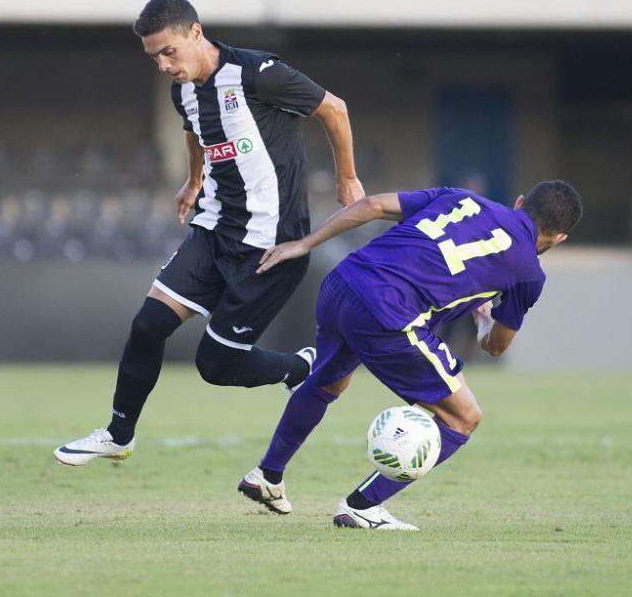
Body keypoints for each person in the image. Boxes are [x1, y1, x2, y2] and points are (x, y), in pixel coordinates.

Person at [54, 0, 364, 466]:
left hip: (272, 246)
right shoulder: (183, 91)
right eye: (154, 57)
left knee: (216, 367)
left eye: (169, 52)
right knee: (147, 326)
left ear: (195, 33)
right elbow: (193, 130)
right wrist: (194, 179)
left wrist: (346, 178)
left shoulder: (258, 73)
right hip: (214, 230)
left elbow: (334, 109)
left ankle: (303, 365)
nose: (162, 65)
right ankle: (119, 435)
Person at [238, 181, 582, 529]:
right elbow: (495, 345)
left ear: (520, 201)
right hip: (389, 313)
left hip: (343, 282)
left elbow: (371, 205)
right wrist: (482, 318)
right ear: (559, 238)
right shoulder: (529, 273)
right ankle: (362, 506)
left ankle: (268, 473)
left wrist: (305, 244)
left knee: (328, 380)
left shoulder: (459, 197)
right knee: (463, 418)